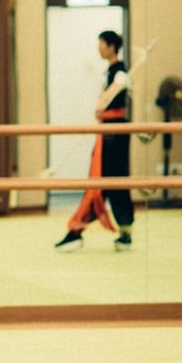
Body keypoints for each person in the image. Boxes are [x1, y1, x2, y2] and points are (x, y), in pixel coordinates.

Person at [55, 31, 134, 252]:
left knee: (110, 181)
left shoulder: (120, 72)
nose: (98, 48)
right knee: (107, 181)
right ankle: (88, 230)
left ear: (111, 47)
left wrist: (115, 90)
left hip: (115, 133)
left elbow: (119, 92)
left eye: (101, 44)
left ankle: (79, 231)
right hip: (108, 130)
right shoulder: (111, 72)